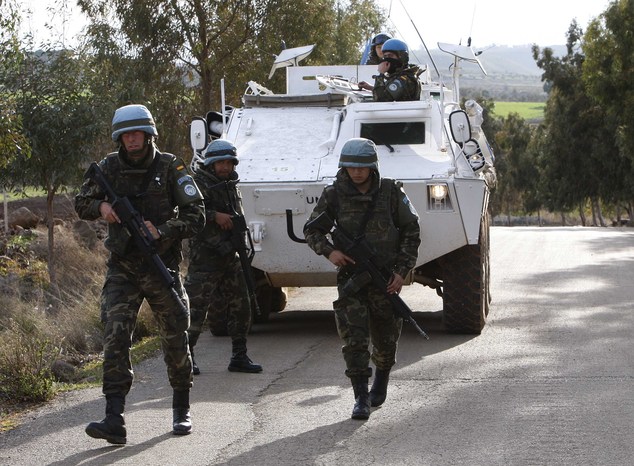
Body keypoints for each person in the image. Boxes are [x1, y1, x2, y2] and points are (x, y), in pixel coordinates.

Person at [75, 104, 205, 444]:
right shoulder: (108, 167)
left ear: (149, 135)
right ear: (120, 137)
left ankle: (181, 407)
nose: (132, 139)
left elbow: (197, 215)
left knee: (176, 334)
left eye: (137, 133)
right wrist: (101, 207)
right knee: (115, 337)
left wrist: (161, 230)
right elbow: (81, 202)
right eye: (126, 134)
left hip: (161, 266)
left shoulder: (170, 166)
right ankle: (113, 417)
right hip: (123, 268)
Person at [303, 138, 420, 420]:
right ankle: (360, 397)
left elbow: (411, 230)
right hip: (352, 281)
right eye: (351, 167)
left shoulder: (391, 191)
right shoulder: (333, 194)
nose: (357, 172)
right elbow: (311, 230)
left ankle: (382, 376)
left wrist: (402, 271)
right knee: (354, 339)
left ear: (372, 167)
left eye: (362, 167)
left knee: (386, 338)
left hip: (385, 278)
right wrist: (330, 252)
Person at [184, 138, 262, 376]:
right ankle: (186, 357)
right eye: (220, 162)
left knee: (242, 306)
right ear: (211, 163)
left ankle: (239, 355)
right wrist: (214, 215)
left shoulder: (230, 184)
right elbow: (188, 214)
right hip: (205, 259)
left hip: (231, 255)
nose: (225, 167)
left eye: (229, 162)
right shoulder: (197, 184)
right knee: (195, 310)